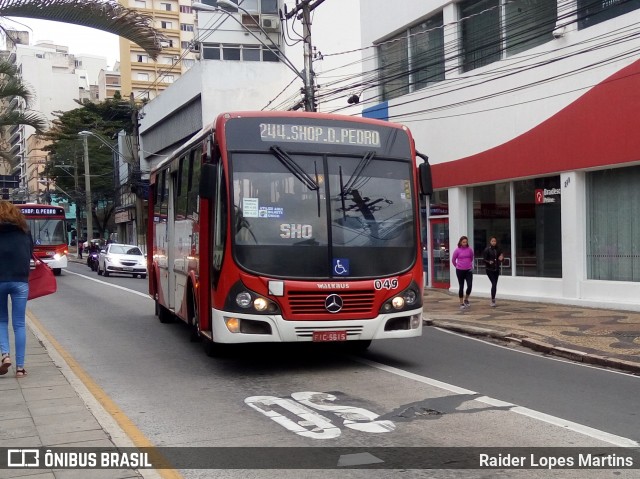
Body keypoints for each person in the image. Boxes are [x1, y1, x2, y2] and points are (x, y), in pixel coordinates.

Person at [0, 200, 33, 378]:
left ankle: (5, 355)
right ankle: (20, 368)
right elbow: (30, 252)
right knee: (19, 324)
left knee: (1, 320)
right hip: (20, 281)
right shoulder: (24, 231)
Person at [452, 235, 474, 310]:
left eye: (466, 242)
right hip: (460, 270)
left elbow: (471, 258)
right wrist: (458, 266)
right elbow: (453, 260)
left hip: (468, 270)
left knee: (470, 285)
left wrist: (468, 265)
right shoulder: (457, 250)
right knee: (461, 286)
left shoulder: (469, 250)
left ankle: (466, 299)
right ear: (460, 242)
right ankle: (461, 302)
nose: (465, 243)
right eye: (463, 242)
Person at [483, 236, 504, 307]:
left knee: (495, 284)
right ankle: (493, 300)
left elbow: (501, 259)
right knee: (494, 283)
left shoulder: (498, 249)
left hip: (496, 269)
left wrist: (501, 259)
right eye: (492, 241)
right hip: (489, 270)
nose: (494, 242)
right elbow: (484, 260)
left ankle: (493, 298)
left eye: (495, 241)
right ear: (490, 242)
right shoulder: (487, 250)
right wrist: (489, 262)